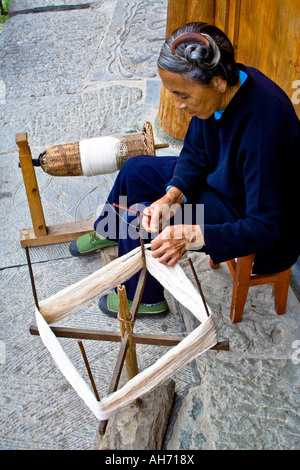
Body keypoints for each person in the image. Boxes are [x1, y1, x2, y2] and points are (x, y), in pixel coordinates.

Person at [69, 22, 300, 317]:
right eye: (173, 94)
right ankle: (110, 228)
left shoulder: (265, 128)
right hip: (223, 180)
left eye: (183, 95)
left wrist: (191, 236)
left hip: (246, 212)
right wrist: (172, 196)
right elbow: (195, 153)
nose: (178, 105)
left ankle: (147, 300)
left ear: (217, 81)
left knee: (139, 222)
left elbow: (267, 226)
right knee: (135, 170)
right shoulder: (218, 92)